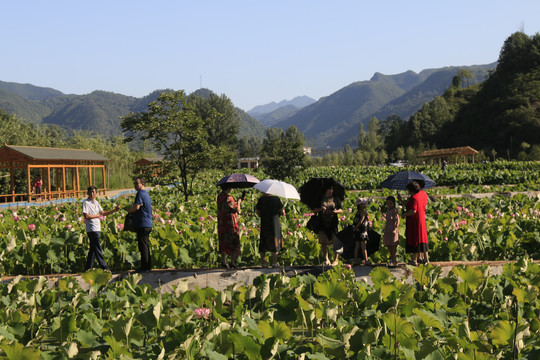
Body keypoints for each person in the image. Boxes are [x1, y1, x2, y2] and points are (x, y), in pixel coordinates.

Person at [82, 186, 121, 271]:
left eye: (93, 192)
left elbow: (103, 213)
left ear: (96, 193)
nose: (92, 194)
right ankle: (104, 267)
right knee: (97, 247)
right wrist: (97, 216)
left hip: (97, 228)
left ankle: (87, 268)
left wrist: (114, 210)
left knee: (93, 249)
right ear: (87, 193)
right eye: (90, 192)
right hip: (91, 229)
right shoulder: (86, 203)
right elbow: (86, 216)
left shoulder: (96, 202)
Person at [125, 178, 153, 272]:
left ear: (142, 183)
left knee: (143, 246)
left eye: (137, 183)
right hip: (148, 223)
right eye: (134, 183)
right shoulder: (146, 194)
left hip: (142, 223)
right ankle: (148, 266)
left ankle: (144, 267)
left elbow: (136, 208)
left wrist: (128, 210)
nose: (135, 185)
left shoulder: (140, 194)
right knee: (145, 245)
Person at [399, 181, 429, 265]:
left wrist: (404, 214)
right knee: (423, 239)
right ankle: (426, 259)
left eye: (408, 190)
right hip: (422, 219)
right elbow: (408, 203)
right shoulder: (423, 194)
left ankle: (414, 260)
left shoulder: (414, 198)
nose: (407, 191)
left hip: (414, 221)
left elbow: (413, 211)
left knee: (415, 239)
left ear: (411, 190)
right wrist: (401, 200)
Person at [313, 184, 343, 266]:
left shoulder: (336, 199)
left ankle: (336, 259)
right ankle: (326, 259)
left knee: (336, 241)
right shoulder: (320, 199)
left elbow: (341, 210)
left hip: (333, 223)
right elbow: (314, 210)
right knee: (323, 242)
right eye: (329, 189)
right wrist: (321, 209)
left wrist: (335, 211)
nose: (331, 191)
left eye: (332, 189)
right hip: (322, 223)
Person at [256, 192, 285, 268]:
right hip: (275, 223)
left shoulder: (261, 200)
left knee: (263, 241)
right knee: (275, 241)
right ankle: (274, 263)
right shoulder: (276, 199)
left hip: (265, 223)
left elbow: (257, 212)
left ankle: (263, 263)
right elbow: (282, 212)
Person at [217, 185, 243, 268]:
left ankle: (223, 262)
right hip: (230, 222)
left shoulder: (219, 196)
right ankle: (232, 262)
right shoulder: (229, 198)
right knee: (233, 240)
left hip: (222, 221)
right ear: (228, 188)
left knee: (223, 239)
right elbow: (236, 209)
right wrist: (239, 201)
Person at [383, 196, 400, 267]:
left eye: (391, 203)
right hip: (388, 229)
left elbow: (398, 220)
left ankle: (394, 260)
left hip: (393, 229)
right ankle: (392, 259)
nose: (389, 205)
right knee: (389, 245)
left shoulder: (395, 210)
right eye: (388, 203)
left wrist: (395, 228)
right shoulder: (388, 210)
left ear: (394, 203)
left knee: (393, 246)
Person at [352, 198, 370, 266]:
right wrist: (357, 227)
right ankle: (366, 260)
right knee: (363, 246)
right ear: (361, 205)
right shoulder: (364, 212)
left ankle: (355, 261)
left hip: (356, 231)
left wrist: (355, 228)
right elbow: (361, 221)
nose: (366, 204)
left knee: (357, 246)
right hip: (362, 231)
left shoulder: (357, 212)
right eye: (364, 203)